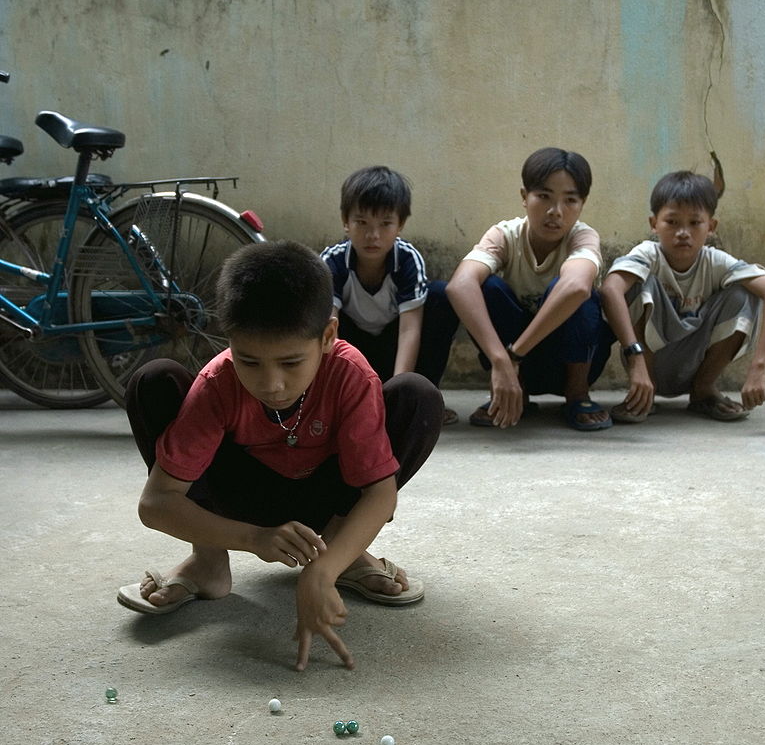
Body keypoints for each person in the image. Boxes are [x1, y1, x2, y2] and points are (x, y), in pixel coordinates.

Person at [117, 240, 443, 672]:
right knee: (153, 381)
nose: (271, 384)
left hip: (326, 501)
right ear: (227, 339)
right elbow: (156, 503)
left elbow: (379, 494)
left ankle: (339, 555)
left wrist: (320, 572)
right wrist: (255, 539)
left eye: (291, 363)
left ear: (328, 336)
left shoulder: (349, 374)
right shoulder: (218, 383)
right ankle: (208, 561)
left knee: (417, 397)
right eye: (249, 361)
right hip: (244, 505)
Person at [601, 170, 765, 423]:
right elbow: (610, 289)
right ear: (653, 224)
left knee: (743, 293)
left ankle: (703, 391)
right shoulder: (647, 255)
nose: (683, 232)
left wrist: (760, 366)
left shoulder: (716, 262)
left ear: (711, 227)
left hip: (695, 362)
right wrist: (635, 358)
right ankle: (641, 395)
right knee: (636, 282)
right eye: (672, 222)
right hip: (647, 363)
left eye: (694, 223)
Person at [445, 147, 613, 430]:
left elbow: (575, 287)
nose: (555, 212)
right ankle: (515, 393)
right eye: (544, 197)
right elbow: (459, 286)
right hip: (515, 368)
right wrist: (501, 361)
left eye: (570, 200)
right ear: (525, 197)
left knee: (580, 293)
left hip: (568, 360)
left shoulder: (582, 237)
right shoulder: (505, 235)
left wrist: (513, 355)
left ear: (582, 204)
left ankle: (577, 393)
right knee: (489, 288)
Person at [321, 166, 459, 423]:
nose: (373, 235)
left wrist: (398, 395)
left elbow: (409, 331)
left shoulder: (407, 260)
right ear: (345, 221)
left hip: (394, 349)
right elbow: (330, 330)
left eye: (385, 224)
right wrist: (336, 389)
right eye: (361, 222)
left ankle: (421, 399)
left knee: (440, 296)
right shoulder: (333, 261)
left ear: (400, 225)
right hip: (353, 352)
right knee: (323, 324)